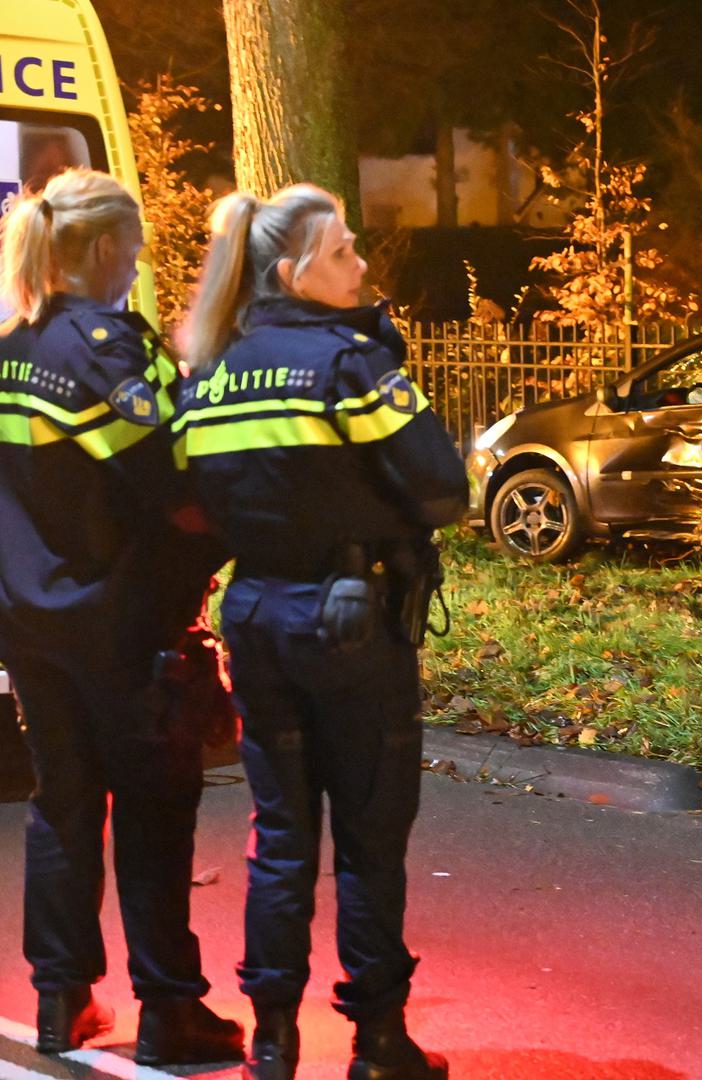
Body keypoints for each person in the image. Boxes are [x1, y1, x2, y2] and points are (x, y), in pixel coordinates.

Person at [176, 184, 466, 1080]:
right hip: (351, 625)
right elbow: (444, 489)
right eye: (343, 251)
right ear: (295, 270)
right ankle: (378, 1043)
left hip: (256, 616)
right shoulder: (349, 364)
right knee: (370, 839)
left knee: (281, 837)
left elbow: (190, 505)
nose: (363, 265)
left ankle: (272, 1040)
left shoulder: (213, 371)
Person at [0, 169, 243, 1064]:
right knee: (152, 808)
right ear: (104, 248)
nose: (135, 269)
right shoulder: (106, 350)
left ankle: (62, 1000)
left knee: (62, 803)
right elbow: (176, 487)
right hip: (123, 620)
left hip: (27, 619)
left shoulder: (8, 343)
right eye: (134, 252)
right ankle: (171, 1012)